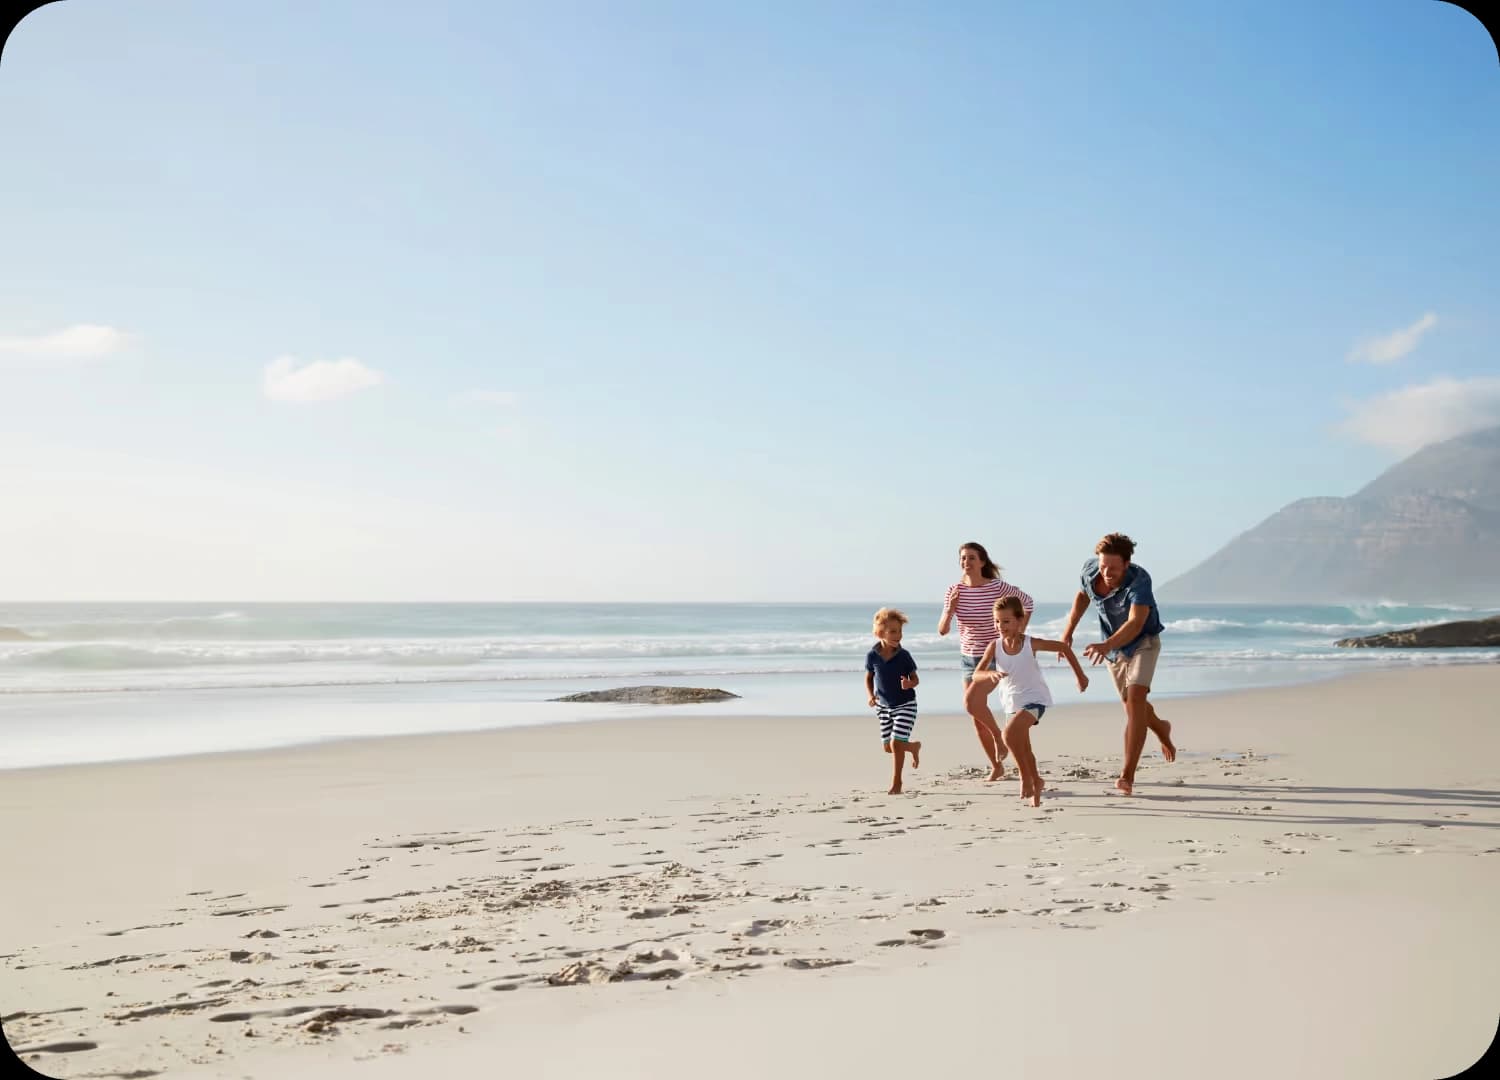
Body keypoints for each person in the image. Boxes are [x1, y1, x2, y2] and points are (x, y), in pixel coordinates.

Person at [1059, 532, 1176, 796]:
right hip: (1113, 648)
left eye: (1113, 568)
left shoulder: (1139, 580)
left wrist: (1105, 645)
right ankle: (1160, 726)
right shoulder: (1091, 571)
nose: (1106, 573)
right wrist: (1068, 631)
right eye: (1103, 567)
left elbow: (1135, 623)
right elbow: (1083, 596)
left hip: (1143, 641)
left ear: (1126, 563)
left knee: (1135, 701)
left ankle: (1127, 776)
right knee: (1132, 707)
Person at [974, 596, 1088, 806]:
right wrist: (989, 675)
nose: (1001, 626)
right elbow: (976, 673)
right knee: (1024, 749)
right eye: (997, 621)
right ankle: (1036, 782)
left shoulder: (1030, 643)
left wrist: (1080, 676)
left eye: (1006, 621)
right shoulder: (995, 646)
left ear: (1019, 621)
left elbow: (1063, 648)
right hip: (1011, 703)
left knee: (1008, 736)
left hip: (1035, 700)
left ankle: (1025, 777)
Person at [938, 541, 1034, 781]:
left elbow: (1028, 602)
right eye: (963, 558)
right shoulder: (954, 590)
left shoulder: (996, 588)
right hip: (967, 658)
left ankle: (1000, 738)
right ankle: (996, 764)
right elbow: (942, 630)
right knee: (976, 715)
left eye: (971, 558)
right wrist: (950, 610)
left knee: (971, 703)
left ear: (982, 562)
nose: (966, 562)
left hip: (994, 655)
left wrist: (1017, 633)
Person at [864, 607, 922, 795]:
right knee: (888, 747)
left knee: (896, 744)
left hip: (905, 704)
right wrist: (870, 695)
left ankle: (897, 783)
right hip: (883, 706)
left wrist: (909, 684)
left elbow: (916, 680)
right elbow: (869, 677)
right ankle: (913, 747)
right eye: (894, 631)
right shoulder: (872, 655)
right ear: (880, 633)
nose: (899, 635)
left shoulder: (904, 656)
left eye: (900, 631)